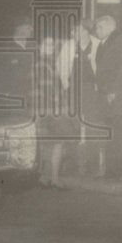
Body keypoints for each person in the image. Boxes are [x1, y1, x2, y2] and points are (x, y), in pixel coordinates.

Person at [93, 15, 122, 181]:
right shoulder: (103, 44)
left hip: (120, 98)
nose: (97, 31)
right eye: (97, 28)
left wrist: (113, 91)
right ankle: (112, 171)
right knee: (111, 135)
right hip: (108, 98)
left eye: (100, 27)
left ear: (111, 27)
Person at [58, 19, 102, 177]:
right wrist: (66, 86)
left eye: (77, 30)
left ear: (86, 31)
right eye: (73, 31)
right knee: (71, 127)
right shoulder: (69, 46)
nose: (74, 33)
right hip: (73, 90)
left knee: (93, 127)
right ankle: (71, 165)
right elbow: (61, 67)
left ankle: (92, 167)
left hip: (92, 91)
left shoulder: (98, 44)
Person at [35, 35, 78, 189]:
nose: (51, 47)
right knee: (55, 143)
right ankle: (51, 178)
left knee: (52, 143)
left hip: (49, 109)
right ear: (39, 46)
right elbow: (46, 90)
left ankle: (48, 177)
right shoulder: (41, 64)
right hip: (49, 110)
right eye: (47, 45)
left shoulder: (49, 64)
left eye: (52, 45)